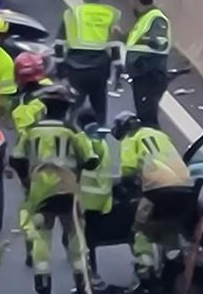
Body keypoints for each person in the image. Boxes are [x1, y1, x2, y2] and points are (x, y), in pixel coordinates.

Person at [10, 84, 100, 294]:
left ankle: (42, 281)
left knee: (42, 235)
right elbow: (91, 160)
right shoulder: (72, 131)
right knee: (75, 234)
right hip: (68, 190)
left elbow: (16, 159)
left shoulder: (31, 131)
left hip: (40, 191)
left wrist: (27, 179)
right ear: (67, 108)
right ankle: (81, 280)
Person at [113, 111, 191, 294]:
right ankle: (173, 264)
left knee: (141, 230)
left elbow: (128, 173)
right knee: (170, 228)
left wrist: (128, 190)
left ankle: (145, 275)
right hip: (185, 187)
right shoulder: (160, 135)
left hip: (157, 189)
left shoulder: (131, 139)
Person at [56, 0, 121, 122]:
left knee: (72, 106)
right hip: (100, 70)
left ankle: (69, 134)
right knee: (99, 108)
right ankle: (99, 136)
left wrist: (59, 68)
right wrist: (118, 70)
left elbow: (59, 43)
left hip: (75, 68)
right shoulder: (109, 14)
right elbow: (115, 45)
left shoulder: (73, 13)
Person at [76, 108, 114, 292]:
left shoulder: (84, 139)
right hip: (103, 198)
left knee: (85, 240)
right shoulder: (102, 140)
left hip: (86, 199)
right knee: (92, 238)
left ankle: (91, 276)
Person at [124, 0, 171, 128]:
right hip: (141, 76)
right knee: (144, 116)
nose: (130, 4)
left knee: (148, 118)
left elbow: (160, 42)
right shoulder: (144, 19)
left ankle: (155, 146)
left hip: (150, 76)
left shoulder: (156, 18)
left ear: (137, 0)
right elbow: (136, 43)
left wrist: (140, 62)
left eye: (132, 0)